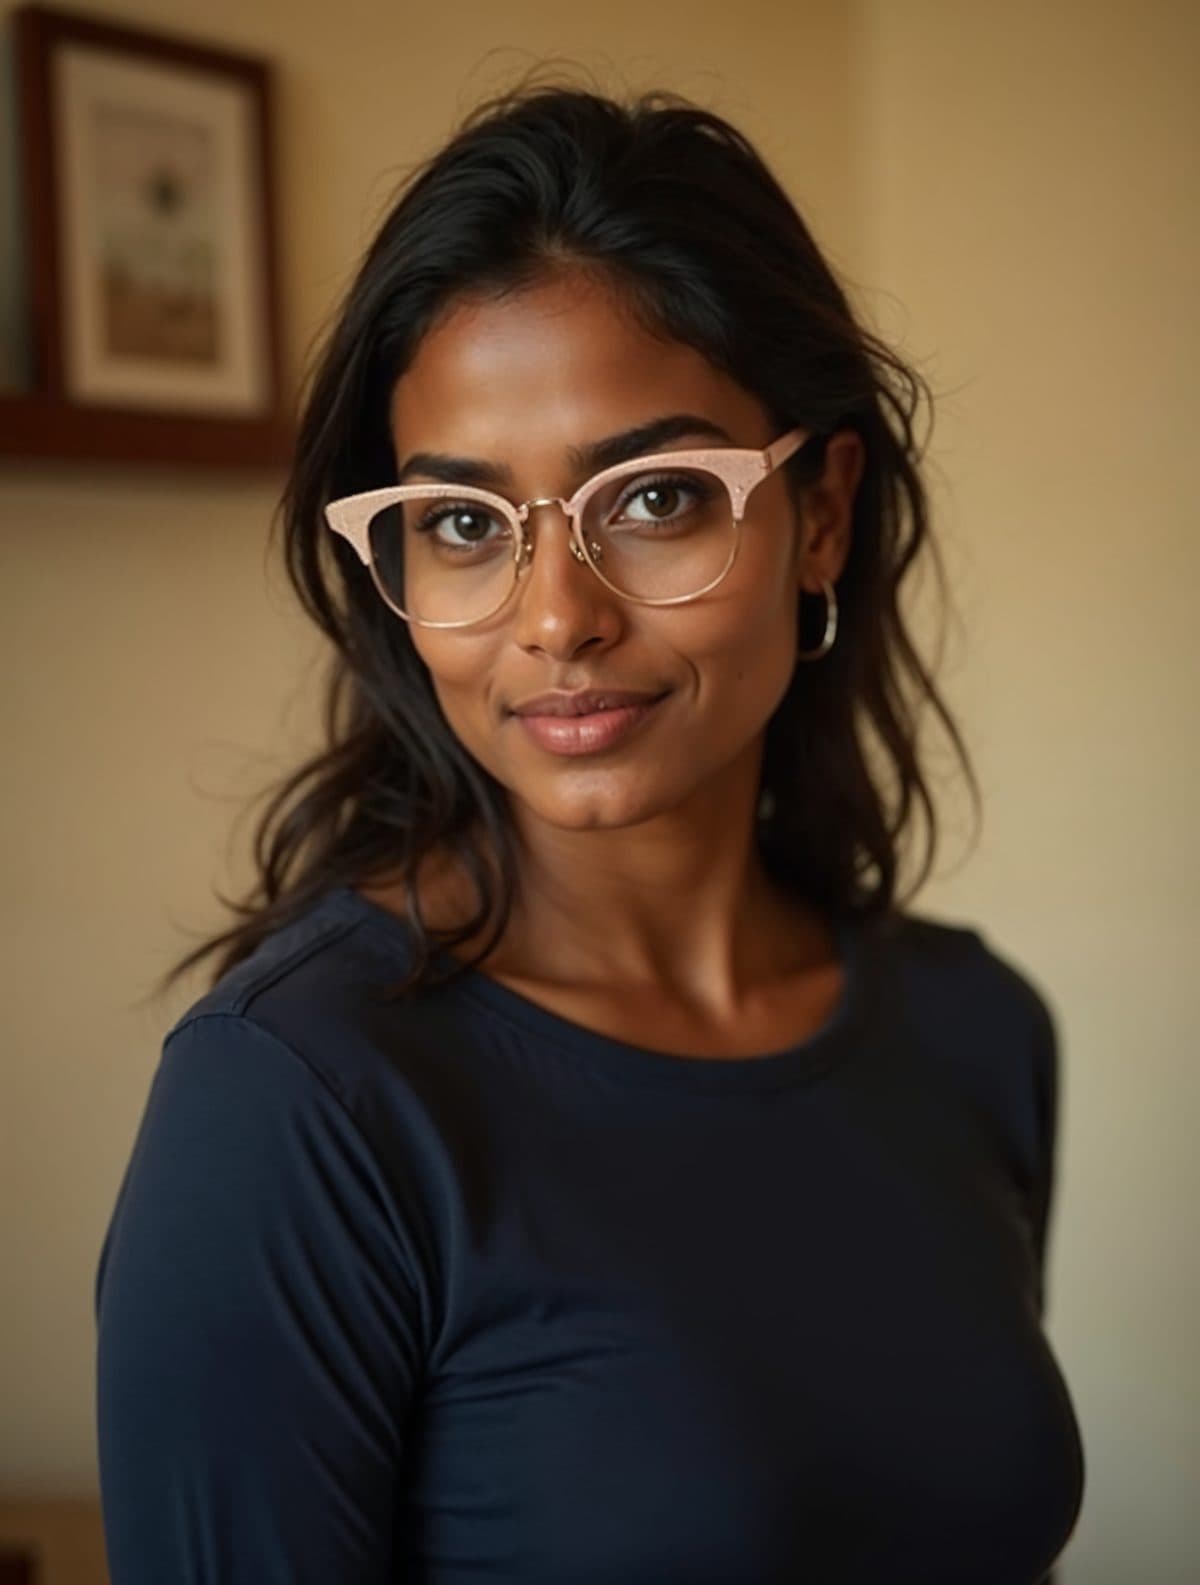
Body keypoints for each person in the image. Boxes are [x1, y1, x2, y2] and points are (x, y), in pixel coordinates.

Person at [94, 81, 1085, 1584]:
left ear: (820, 514)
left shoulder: (975, 1030)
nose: (558, 618)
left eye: (656, 498)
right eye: (463, 524)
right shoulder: (299, 1101)